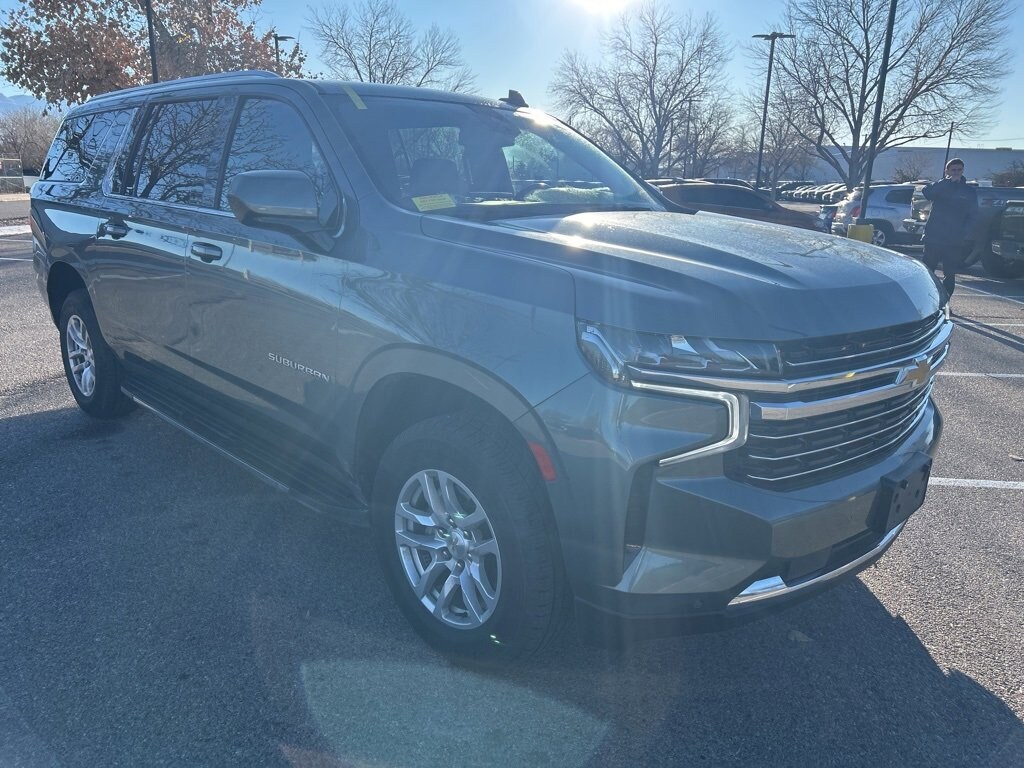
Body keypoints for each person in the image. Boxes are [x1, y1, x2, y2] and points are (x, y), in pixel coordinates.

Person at [920, 158, 978, 298]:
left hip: (954, 240)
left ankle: (945, 302)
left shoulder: (968, 191)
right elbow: (927, 193)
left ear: (963, 171)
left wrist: (966, 234)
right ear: (947, 170)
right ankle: (926, 300)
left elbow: (973, 215)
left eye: (959, 170)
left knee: (950, 274)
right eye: (953, 170)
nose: (956, 173)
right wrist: (945, 182)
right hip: (934, 237)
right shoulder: (940, 186)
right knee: (927, 272)